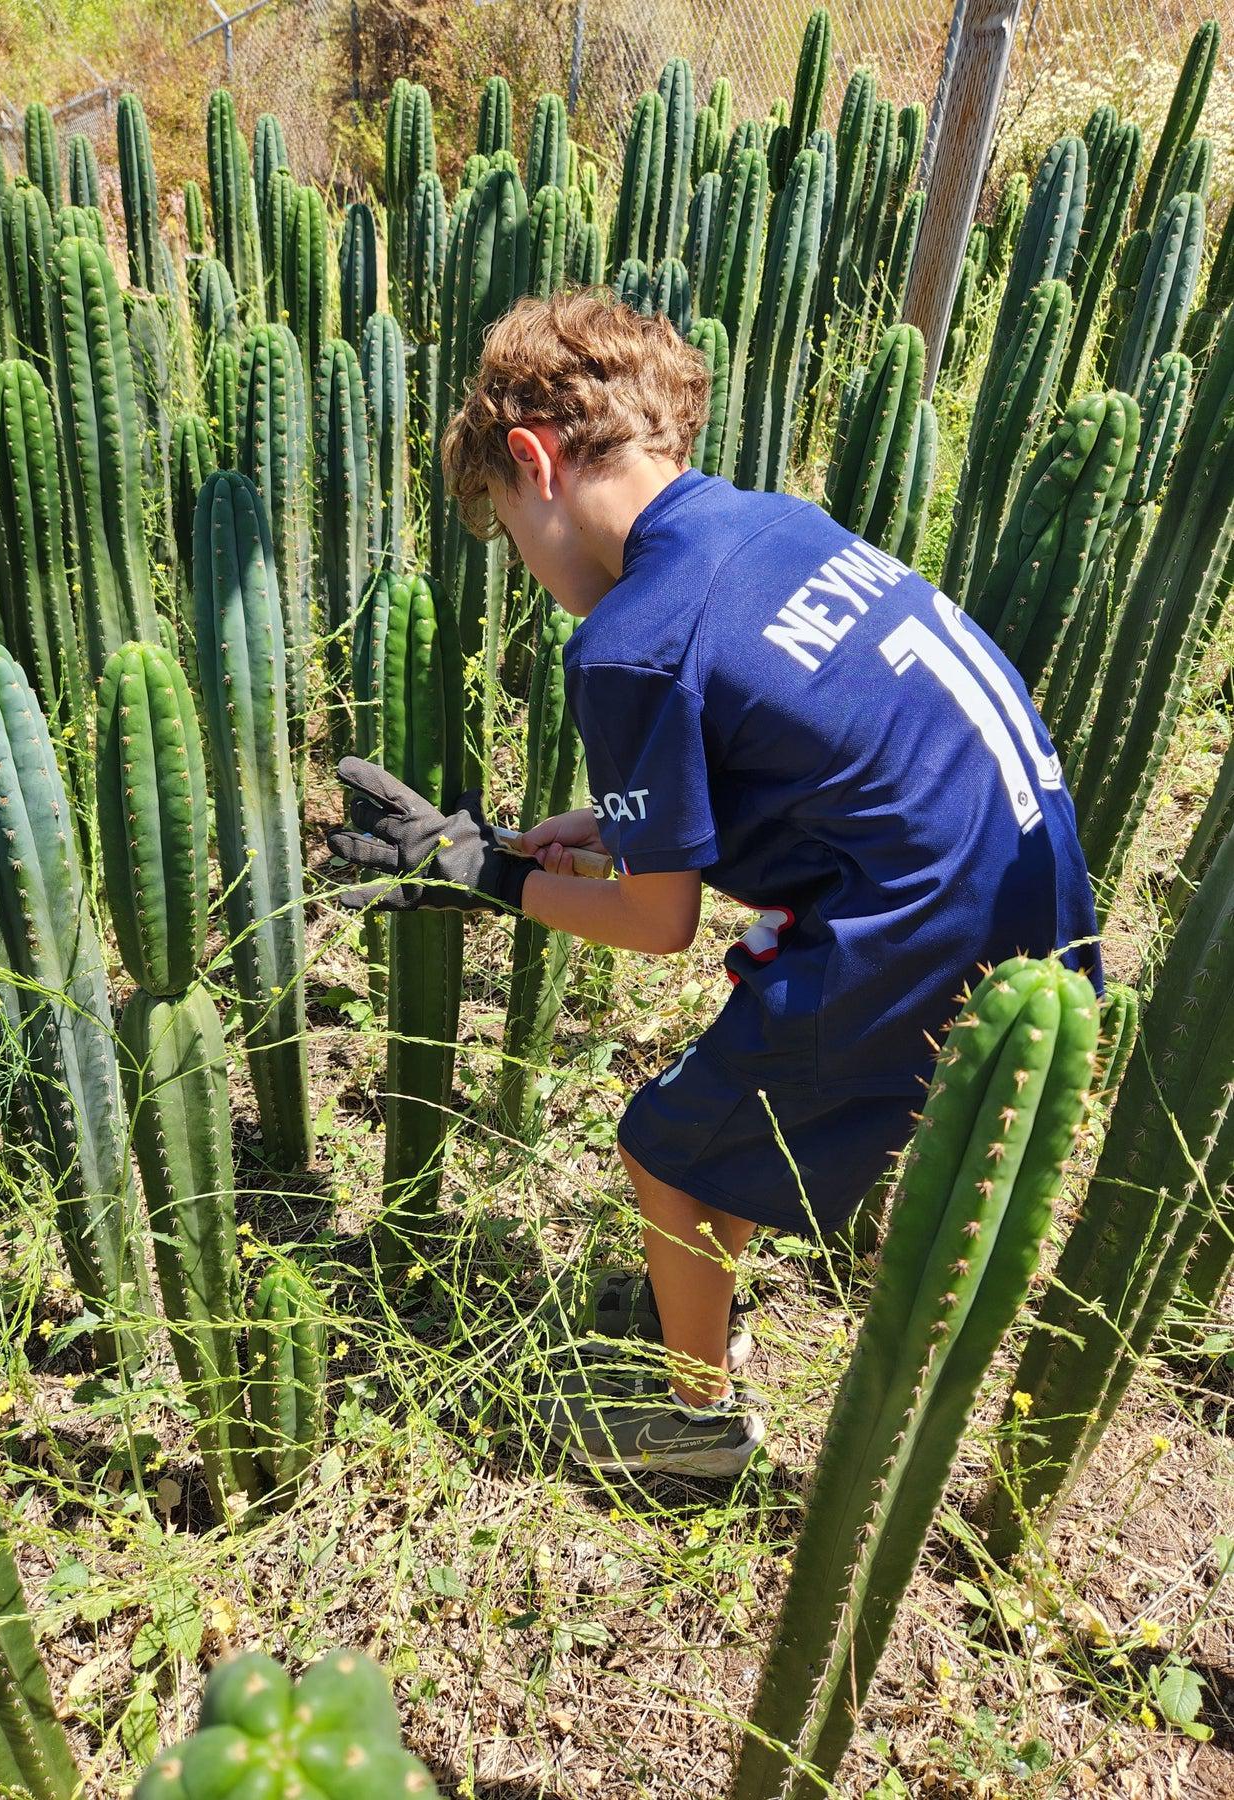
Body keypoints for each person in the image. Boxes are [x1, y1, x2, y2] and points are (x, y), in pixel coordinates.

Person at [328, 289, 1101, 1479]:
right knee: (722, 1125)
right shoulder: (773, 528)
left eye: (501, 522)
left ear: (532, 462)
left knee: (662, 1144)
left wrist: (479, 871)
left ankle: (694, 1430)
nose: (526, 564)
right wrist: (614, 826)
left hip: (921, 927)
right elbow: (807, 728)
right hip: (1028, 877)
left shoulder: (631, 637)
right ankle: (711, 1284)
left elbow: (656, 924)